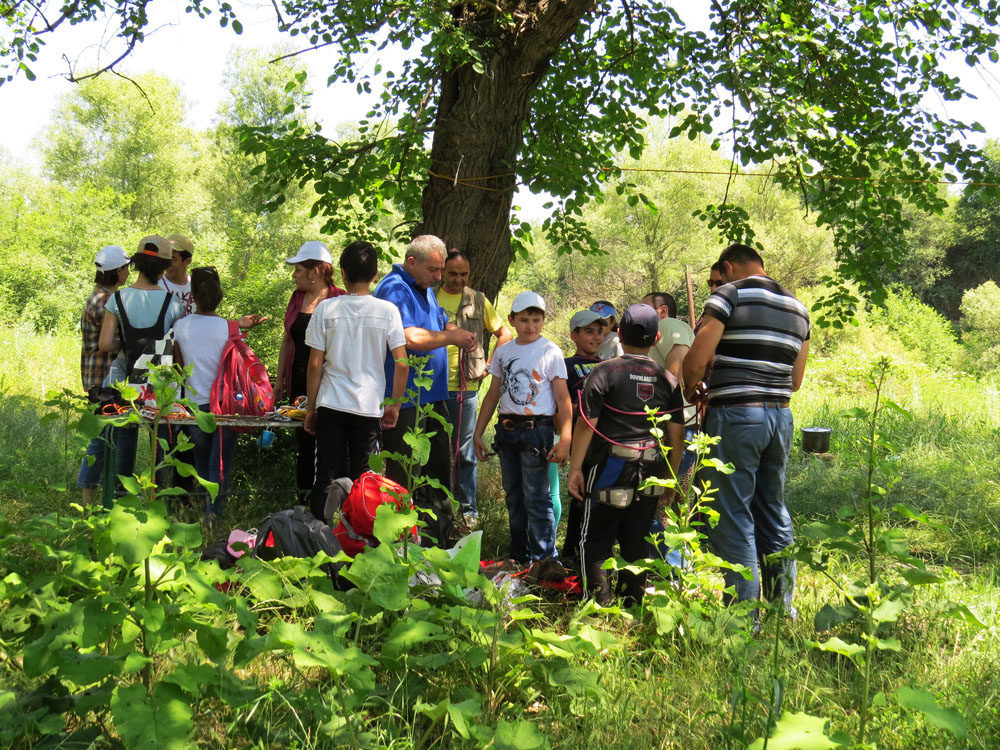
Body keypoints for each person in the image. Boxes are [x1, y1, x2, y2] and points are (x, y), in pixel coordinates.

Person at [682, 243, 810, 614]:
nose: (715, 284)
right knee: (772, 508)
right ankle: (782, 606)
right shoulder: (798, 307)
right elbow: (796, 379)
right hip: (779, 417)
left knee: (734, 514)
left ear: (729, 267)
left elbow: (696, 360)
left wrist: (692, 389)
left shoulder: (729, 294)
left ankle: (743, 616)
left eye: (717, 277)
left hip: (737, 416)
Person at [568, 303, 684, 606]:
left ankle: (598, 605)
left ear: (618, 333)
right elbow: (676, 434)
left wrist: (576, 468)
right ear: (657, 339)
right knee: (637, 538)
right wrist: (670, 477)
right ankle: (632, 603)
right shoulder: (667, 379)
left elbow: (585, 424)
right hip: (652, 468)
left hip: (609, 465)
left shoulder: (604, 371)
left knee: (595, 538)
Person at [374, 235, 476, 547]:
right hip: (405, 402)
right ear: (412, 262)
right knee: (403, 476)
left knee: (437, 473)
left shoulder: (424, 289)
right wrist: (451, 339)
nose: (439, 277)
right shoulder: (394, 288)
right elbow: (408, 337)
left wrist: (454, 331)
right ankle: (398, 544)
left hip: (432, 400)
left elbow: (440, 322)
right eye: (433, 270)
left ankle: (439, 544)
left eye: (441, 270)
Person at [303, 241, 409, 521]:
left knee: (326, 475)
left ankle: (321, 537)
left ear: (343, 274)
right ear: (375, 275)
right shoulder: (388, 311)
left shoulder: (326, 310)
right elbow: (402, 363)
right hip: (368, 405)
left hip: (331, 403)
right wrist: (394, 405)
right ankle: (358, 539)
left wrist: (311, 408)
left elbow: (315, 365)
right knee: (365, 480)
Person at [473, 291, 572, 563]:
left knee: (537, 498)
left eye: (536, 320)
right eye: (525, 319)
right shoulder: (504, 352)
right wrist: (478, 433)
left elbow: (563, 399)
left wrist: (565, 439)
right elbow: (493, 394)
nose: (531, 326)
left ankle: (545, 560)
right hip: (507, 430)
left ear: (544, 320)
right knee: (514, 497)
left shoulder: (550, 351)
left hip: (536, 431)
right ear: (512, 320)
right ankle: (519, 555)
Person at [99, 235, 186, 490]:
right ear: (164, 267)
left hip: (126, 377)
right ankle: (157, 494)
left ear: (135, 263)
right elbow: (177, 344)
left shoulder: (117, 299)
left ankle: (120, 492)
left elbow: (105, 344)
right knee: (161, 439)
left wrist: (126, 344)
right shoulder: (173, 303)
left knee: (125, 435)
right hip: (160, 382)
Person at [433, 250, 512, 523]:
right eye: (452, 273)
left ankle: (468, 511)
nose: (457, 279)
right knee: (433, 448)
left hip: (465, 389)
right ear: (442, 271)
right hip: (431, 386)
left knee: (464, 451)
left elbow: (505, 332)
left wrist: (489, 364)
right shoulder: (428, 295)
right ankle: (435, 507)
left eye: (463, 274)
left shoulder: (478, 300)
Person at [275, 241, 346, 500]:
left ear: (314, 272)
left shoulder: (339, 299)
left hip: (329, 384)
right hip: (298, 382)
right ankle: (303, 499)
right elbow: (287, 340)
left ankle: (330, 501)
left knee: (328, 443)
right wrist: (279, 380)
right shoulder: (296, 299)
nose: (294, 275)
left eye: (298, 270)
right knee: (304, 442)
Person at [172, 266, 239, 522]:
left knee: (201, 461)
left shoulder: (181, 327)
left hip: (194, 404)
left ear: (193, 294)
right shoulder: (229, 329)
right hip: (226, 405)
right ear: (219, 294)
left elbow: (179, 370)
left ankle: (206, 509)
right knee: (220, 463)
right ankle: (213, 514)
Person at [77, 244, 131, 503]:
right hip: (101, 380)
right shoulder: (104, 303)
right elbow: (113, 339)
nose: (129, 272)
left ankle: (97, 495)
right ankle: (88, 496)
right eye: (126, 268)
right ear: (117, 271)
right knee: (100, 439)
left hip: (100, 377)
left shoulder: (102, 296)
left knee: (107, 436)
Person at [559, 309, 606, 563]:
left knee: (599, 499)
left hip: (604, 444)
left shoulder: (608, 366)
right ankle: (571, 553)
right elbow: (561, 407)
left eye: (600, 331)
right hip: (580, 442)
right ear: (574, 335)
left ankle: (593, 552)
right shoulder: (566, 366)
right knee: (579, 498)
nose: (597, 337)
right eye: (589, 331)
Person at [158, 234, 195, 316]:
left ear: (187, 261)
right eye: (166, 257)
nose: (167, 263)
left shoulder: (197, 286)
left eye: (173, 259)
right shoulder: (156, 285)